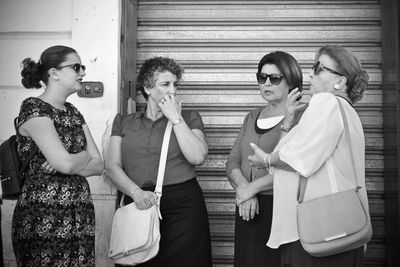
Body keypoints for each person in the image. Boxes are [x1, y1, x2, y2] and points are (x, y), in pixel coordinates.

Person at [248, 45, 371, 267]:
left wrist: (265, 160)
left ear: (340, 82)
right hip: (341, 230)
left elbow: (298, 159)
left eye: (319, 67)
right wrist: (288, 121)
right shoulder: (347, 111)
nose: (311, 73)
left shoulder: (326, 103)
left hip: (317, 233)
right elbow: (292, 153)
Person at [105, 56, 212, 266]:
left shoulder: (189, 117)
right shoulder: (123, 122)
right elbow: (111, 166)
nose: (173, 90)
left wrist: (175, 118)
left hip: (183, 204)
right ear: (147, 88)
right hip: (138, 200)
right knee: (137, 259)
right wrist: (135, 192)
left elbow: (197, 156)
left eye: (175, 84)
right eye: (165, 84)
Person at [12, 45, 104, 266]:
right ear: (54, 73)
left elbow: (99, 165)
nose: (83, 72)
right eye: (76, 67)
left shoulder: (73, 112)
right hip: (44, 216)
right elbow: (66, 163)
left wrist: (70, 160)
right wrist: (78, 157)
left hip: (79, 214)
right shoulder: (34, 108)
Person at [226, 51, 303, 267]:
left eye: (275, 78)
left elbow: (294, 164)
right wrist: (245, 190)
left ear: (292, 81)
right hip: (248, 207)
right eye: (262, 77)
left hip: (281, 207)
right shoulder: (252, 116)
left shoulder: (302, 116)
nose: (267, 83)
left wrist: (254, 187)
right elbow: (232, 162)